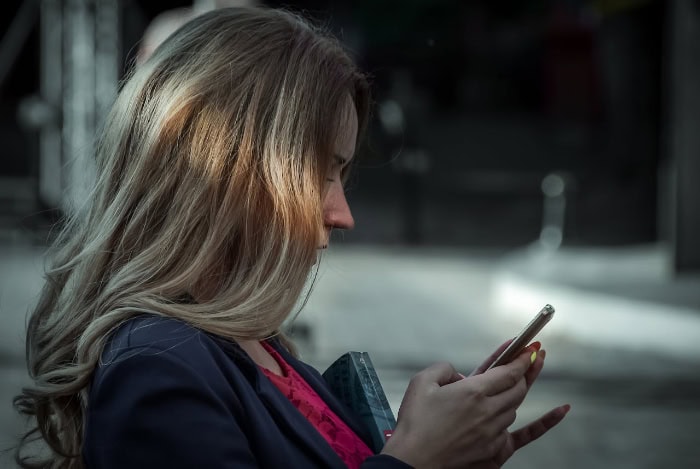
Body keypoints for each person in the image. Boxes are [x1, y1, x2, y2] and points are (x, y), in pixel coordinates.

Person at [14, 7, 569, 469]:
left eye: (342, 175)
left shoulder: (251, 344)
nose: (343, 213)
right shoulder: (159, 366)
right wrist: (417, 460)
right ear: (226, 171)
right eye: (321, 172)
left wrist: (441, 451)